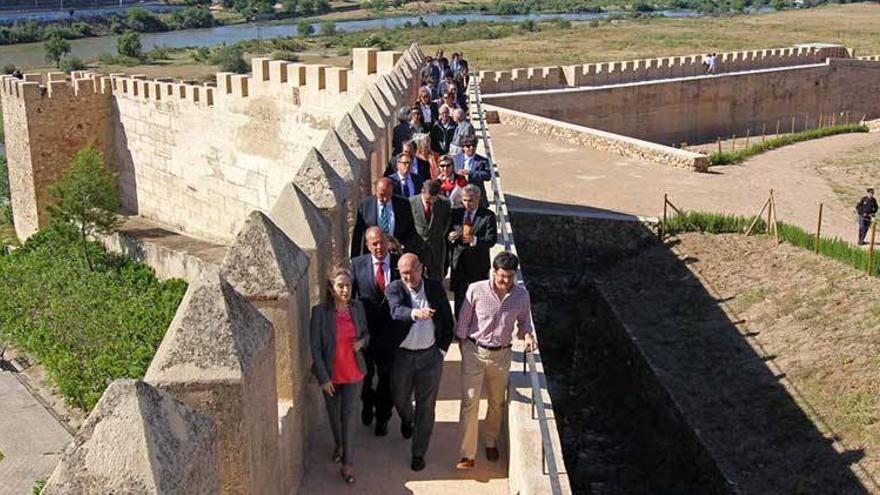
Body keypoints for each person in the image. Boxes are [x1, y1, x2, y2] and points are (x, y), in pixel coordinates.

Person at [455, 252, 536, 470]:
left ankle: (491, 441)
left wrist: (527, 335)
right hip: (475, 352)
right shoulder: (476, 289)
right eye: (502, 276)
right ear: (493, 272)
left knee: (496, 402)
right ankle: (467, 454)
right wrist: (465, 348)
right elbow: (463, 321)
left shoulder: (522, 296)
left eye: (510, 277)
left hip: (502, 355)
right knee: (469, 402)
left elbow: (525, 324)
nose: (506, 281)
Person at [386, 253, 454, 472]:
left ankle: (418, 453)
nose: (407, 277)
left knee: (426, 406)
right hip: (403, 357)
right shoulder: (395, 288)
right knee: (399, 397)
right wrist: (416, 313)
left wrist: (441, 351)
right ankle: (407, 418)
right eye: (403, 273)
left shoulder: (434, 288)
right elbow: (396, 311)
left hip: (430, 357)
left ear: (421, 268)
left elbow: (447, 320)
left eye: (411, 272)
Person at [310, 267, 370, 484]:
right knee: (334, 416)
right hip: (331, 375)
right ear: (331, 288)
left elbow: (366, 334)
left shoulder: (358, 308)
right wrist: (324, 379)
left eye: (348, 286)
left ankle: (348, 464)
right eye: (341, 286)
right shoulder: (320, 313)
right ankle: (339, 444)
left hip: (355, 372)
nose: (346, 290)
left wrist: (362, 342)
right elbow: (315, 347)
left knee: (349, 416)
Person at [351, 228, 401, 436]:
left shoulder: (401, 264)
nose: (379, 248)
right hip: (366, 334)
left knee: (387, 378)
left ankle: (383, 417)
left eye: (382, 242)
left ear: (388, 241)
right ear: (368, 245)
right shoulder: (357, 264)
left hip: (390, 333)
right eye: (374, 244)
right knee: (366, 375)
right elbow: (351, 298)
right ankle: (367, 403)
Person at [448, 185, 498, 317]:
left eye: (470, 200)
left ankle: (474, 325)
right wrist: (451, 236)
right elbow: (447, 232)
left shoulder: (488, 216)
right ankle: (460, 326)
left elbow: (491, 240)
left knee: (478, 296)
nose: (467, 204)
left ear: (478, 199)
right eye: (464, 200)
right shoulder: (456, 213)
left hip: (478, 264)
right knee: (460, 295)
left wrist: (474, 240)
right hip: (459, 262)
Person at [351, 177, 416, 257]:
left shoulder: (403, 204)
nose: (385, 199)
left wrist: (403, 248)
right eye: (381, 195)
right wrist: (354, 257)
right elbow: (358, 234)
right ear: (376, 191)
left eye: (388, 194)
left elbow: (410, 230)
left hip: (397, 254)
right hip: (373, 254)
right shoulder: (365, 205)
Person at [409, 180, 452, 281]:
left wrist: (436, 235)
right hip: (417, 247)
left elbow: (446, 223)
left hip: (436, 247)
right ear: (422, 191)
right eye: (428, 200)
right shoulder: (411, 202)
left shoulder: (445, 203)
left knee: (436, 278)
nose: (431, 202)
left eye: (434, 199)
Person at [453, 137, 491, 208]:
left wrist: (470, 172)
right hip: (460, 196)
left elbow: (487, 175)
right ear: (463, 147)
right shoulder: (455, 159)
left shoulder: (482, 161)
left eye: (473, 145)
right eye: (468, 146)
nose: (471, 148)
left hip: (476, 196)